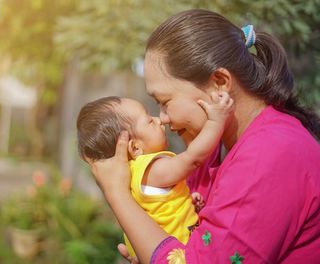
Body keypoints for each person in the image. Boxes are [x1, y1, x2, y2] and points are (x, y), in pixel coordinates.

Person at [87, 9, 320, 264]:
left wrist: (117, 195)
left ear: (220, 82)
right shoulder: (219, 150)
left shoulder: (270, 153)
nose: (163, 118)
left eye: (165, 102)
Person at [77, 92, 233, 257]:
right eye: (150, 121)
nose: (159, 120)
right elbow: (192, 159)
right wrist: (215, 121)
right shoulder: (151, 168)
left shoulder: (129, 177)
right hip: (180, 253)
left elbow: (158, 209)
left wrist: (185, 201)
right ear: (135, 148)